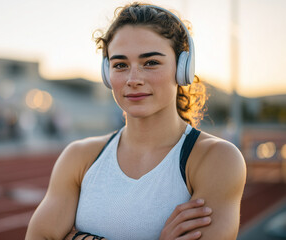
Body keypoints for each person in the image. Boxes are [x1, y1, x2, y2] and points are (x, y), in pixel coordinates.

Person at [26, 3, 246, 240]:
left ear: (182, 68)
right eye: (120, 65)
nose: (133, 79)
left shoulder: (216, 158)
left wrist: (78, 237)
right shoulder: (79, 156)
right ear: (106, 74)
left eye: (150, 62)